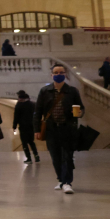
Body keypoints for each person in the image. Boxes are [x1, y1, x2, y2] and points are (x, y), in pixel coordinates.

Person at [34, 64, 84, 194]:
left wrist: (79, 113)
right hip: (51, 129)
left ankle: (67, 182)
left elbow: (81, 108)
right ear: (51, 75)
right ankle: (61, 180)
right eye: (56, 72)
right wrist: (37, 130)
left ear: (65, 74)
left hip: (68, 129)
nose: (58, 74)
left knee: (67, 156)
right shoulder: (45, 91)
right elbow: (38, 111)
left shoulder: (72, 91)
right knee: (55, 156)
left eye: (61, 72)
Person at [13, 90, 39, 164]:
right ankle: (36, 155)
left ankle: (29, 158)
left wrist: (14, 126)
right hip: (31, 125)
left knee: (24, 142)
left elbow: (16, 116)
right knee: (31, 141)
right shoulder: (31, 104)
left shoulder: (19, 105)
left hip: (23, 126)